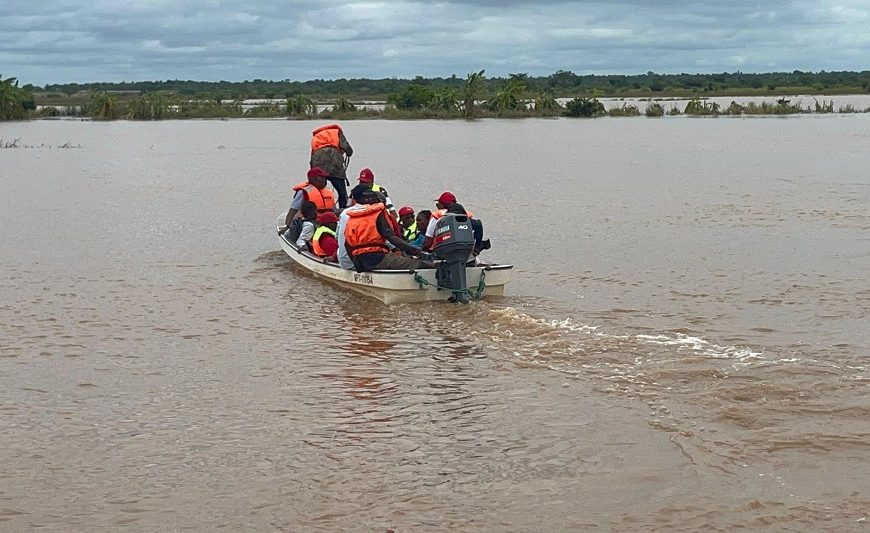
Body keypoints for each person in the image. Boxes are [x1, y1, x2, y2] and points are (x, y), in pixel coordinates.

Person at [343, 190, 434, 272]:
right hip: (377, 258)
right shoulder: (377, 214)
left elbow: (347, 244)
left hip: (360, 261)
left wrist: (356, 263)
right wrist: (416, 251)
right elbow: (392, 238)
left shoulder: (352, 218)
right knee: (418, 263)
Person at [310, 123, 353, 209]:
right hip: (335, 165)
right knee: (342, 192)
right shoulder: (337, 132)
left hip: (318, 166)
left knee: (317, 190)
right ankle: (343, 212)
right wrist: (348, 152)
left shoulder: (316, 137)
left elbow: (312, 156)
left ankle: (319, 210)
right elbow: (347, 149)